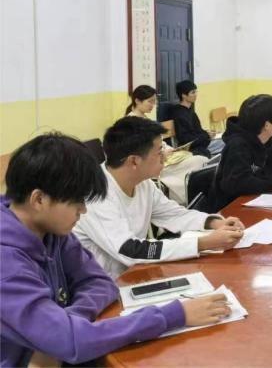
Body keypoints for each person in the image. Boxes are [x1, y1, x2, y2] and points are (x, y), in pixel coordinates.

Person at [0, 133, 231, 367]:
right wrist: (173, 315)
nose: (83, 211)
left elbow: (100, 283)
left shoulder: (51, 231)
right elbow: (70, 340)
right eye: (77, 202)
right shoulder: (7, 265)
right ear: (39, 200)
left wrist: (66, 323)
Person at [73, 117, 245, 278]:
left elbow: (173, 214)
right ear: (134, 161)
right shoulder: (96, 195)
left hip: (135, 273)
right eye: (159, 151)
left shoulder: (143, 183)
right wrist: (204, 243)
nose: (165, 157)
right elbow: (131, 250)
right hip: (106, 285)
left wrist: (214, 223)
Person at [205, 95, 272, 213]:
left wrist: (260, 181)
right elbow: (240, 184)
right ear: (266, 125)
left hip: (254, 200)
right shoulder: (238, 146)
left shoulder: (266, 139)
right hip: (230, 208)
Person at [125, 85, 208, 205]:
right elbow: (137, 150)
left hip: (164, 158)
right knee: (193, 167)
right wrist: (161, 152)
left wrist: (170, 149)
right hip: (153, 164)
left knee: (201, 160)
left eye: (154, 101)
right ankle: (190, 198)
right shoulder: (130, 123)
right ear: (137, 101)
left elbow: (160, 141)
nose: (153, 105)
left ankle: (196, 196)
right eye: (150, 101)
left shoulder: (145, 119)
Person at [170, 80, 224, 157]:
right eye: (193, 92)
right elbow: (185, 140)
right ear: (184, 95)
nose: (196, 95)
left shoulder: (190, 111)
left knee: (227, 140)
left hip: (202, 143)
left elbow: (197, 131)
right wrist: (206, 135)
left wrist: (207, 133)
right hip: (193, 148)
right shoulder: (179, 114)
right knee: (226, 143)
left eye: (196, 92)